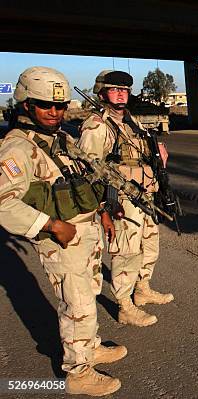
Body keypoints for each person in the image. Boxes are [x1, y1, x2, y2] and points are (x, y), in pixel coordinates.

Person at [0, 67, 125, 396]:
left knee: (91, 291)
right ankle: (78, 372)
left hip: (87, 229)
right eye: (46, 106)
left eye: (60, 106)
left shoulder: (62, 137)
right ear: (26, 105)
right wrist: (52, 225)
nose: (55, 113)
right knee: (77, 303)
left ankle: (89, 346)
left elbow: (82, 179)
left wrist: (103, 213)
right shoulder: (17, 148)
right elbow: (3, 204)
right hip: (62, 237)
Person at [78, 70, 173, 328]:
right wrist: (104, 208)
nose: (121, 93)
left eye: (124, 89)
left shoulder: (130, 120)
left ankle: (142, 288)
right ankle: (125, 305)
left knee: (149, 245)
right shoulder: (97, 126)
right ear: (102, 92)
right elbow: (89, 170)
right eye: (114, 89)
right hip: (122, 198)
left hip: (145, 195)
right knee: (127, 252)